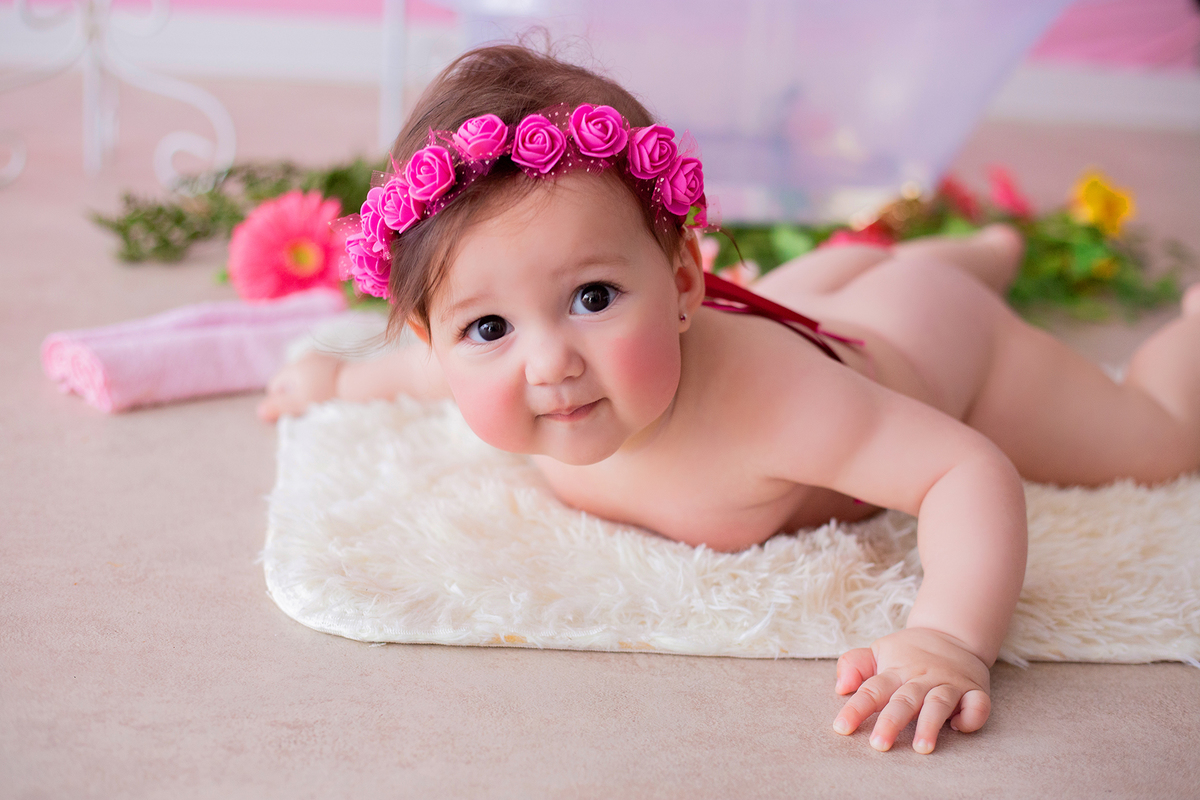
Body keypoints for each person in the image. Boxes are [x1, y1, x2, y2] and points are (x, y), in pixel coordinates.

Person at [257, 44, 1200, 754]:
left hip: (938, 341)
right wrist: (342, 378)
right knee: (837, 280)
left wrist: (949, 637)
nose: (548, 364)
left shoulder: (776, 406)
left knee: (1157, 442)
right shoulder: (507, 365)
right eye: (490, 328)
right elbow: (432, 367)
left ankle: (1070, 291)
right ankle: (977, 247)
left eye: (594, 298)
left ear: (683, 284)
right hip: (813, 296)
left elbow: (963, 469)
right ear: (441, 339)